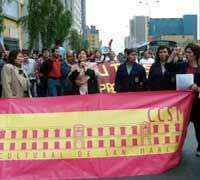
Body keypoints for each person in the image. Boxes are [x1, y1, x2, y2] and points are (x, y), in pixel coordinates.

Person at [166, 43, 200, 156]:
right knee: (180, 128)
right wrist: (173, 53)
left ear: (196, 54)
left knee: (199, 128)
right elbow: (168, 66)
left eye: (189, 52)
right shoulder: (182, 65)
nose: (187, 54)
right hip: (184, 104)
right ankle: (176, 149)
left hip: (197, 104)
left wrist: (197, 88)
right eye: (186, 52)